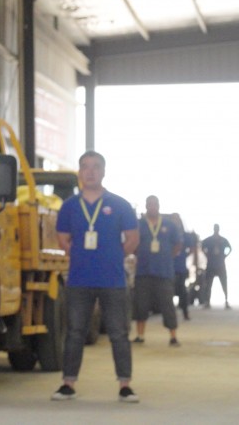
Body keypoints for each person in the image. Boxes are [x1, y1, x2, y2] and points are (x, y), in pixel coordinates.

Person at [52, 150, 139, 404]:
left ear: (103, 171)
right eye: (85, 167)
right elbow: (63, 239)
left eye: (96, 167)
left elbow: (133, 238)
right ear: (80, 172)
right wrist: (81, 255)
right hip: (79, 280)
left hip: (113, 280)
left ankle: (125, 385)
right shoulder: (69, 206)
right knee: (75, 332)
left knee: (118, 333)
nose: (90, 172)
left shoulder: (120, 204)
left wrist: (112, 255)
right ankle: (68, 384)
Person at [131, 197, 183, 346]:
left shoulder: (169, 224)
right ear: (146, 206)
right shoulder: (139, 224)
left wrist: (168, 256)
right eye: (149, 205)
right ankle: (140, 335)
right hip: (143, 272)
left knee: (167, 305)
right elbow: (132, 242)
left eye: (155, 204)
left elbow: (178, 244)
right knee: (141, 304)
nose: (152, 207)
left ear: (158, 206)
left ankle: (173, 337)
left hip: (164, 272)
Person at [200, 224, 232, 309]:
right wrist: (207, 255)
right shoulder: (209, 240)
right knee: (208, 284)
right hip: (211, 264)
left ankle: (226, 300)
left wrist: (224, 256)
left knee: (224, 283)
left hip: (220, 264)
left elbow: (230, 248)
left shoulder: (223, 240)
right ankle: (207, 301)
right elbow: (202, 246)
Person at [171, 214, 193, 320]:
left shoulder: (185, 235)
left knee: (182, 291)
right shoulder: (167, 233)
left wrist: (184, 255)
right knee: (168, 292)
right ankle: (170, 314)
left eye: (177, 220)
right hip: (168, 268)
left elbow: (192, 248)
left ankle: (185, 312)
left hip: (180, 267)